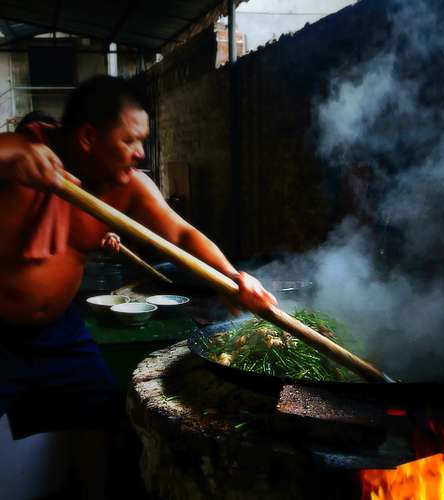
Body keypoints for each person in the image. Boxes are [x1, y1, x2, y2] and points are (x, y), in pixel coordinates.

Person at [0, 75, 277, 499]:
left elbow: (181, 235)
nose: (141, 153)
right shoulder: (17, 156)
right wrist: (11, 153)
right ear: (88, 137)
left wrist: (232, 278)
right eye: (130, 140)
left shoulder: (128, 186)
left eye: (142, 140)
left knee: (99, 417)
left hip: (59, 329)